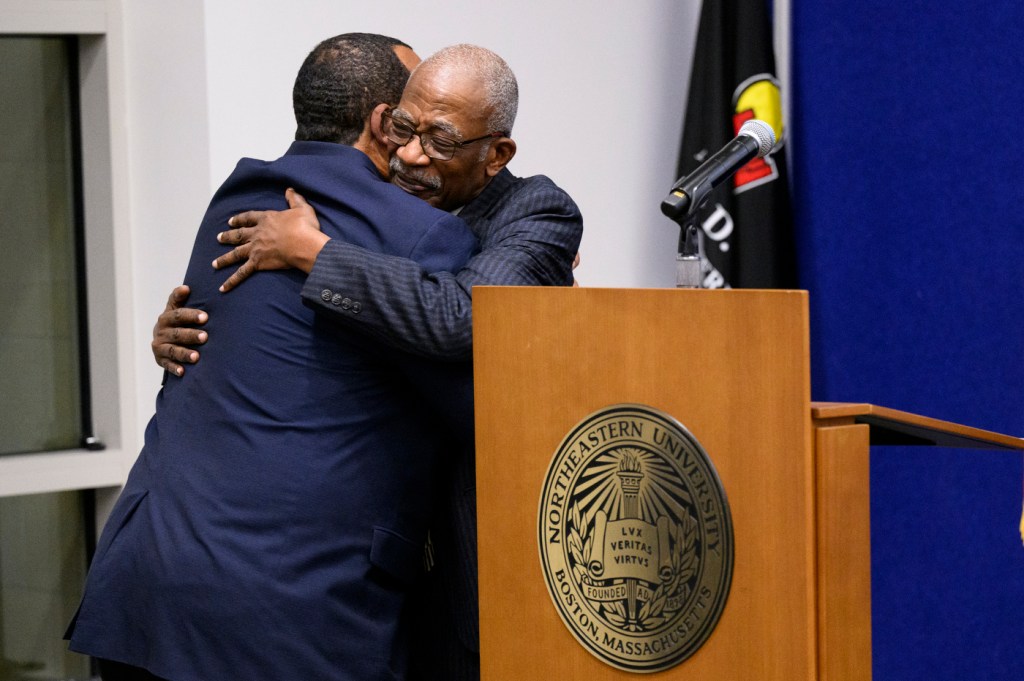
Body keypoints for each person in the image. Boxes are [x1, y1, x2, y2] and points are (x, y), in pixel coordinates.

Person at [152, 44, 585, 680]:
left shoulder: (537, 214)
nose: (411, 156)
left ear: (496, 154)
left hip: (465, 552)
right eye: (404, 129)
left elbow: (462, 317)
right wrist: (184, 335)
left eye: (440, 139)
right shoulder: (369, 196)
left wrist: (314, 253)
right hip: (352, 560)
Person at [67, 33, 480, 681]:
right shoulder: (420, 233)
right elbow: (480, 408)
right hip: (282, 615)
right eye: (413, 115)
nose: (422, 135)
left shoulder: (237, 198)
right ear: (382, 122)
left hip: (142, 589)